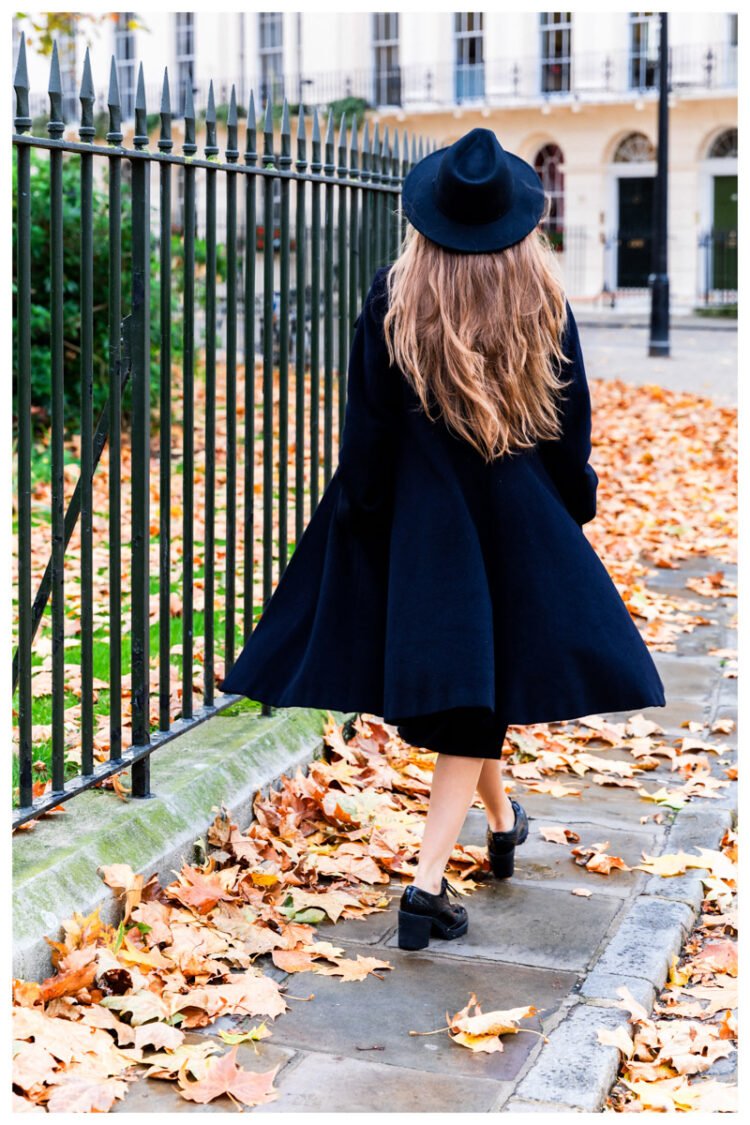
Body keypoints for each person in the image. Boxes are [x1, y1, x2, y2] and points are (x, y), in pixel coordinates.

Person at [219, 127, 666, 952]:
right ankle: (425, 887)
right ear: (518, 222)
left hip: (425, 526)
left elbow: (369, 430)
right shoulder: (542, 301)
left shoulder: (395, 296)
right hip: (514, 516)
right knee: (474, 692)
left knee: (473, 685)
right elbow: (570, 430)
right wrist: (570, 507)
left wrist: (365, 515)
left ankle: (502, 821)